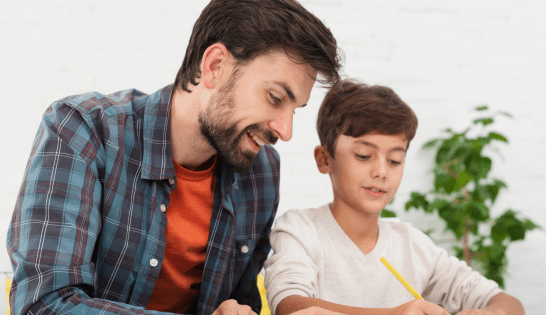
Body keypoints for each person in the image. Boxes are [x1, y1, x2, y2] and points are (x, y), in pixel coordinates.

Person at [6, 0, 341, 314]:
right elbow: (45, 303)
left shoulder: (261, 172)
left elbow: (239, 301)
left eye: (295, 110)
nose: (285, 131)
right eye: (274, 97)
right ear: (215, 67)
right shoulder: (85, 130)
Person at [264, 79, 526, 315]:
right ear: (325, 160)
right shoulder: (300, 230)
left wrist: (492, 313)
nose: (381, 172)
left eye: (395, 160)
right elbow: (289, 306)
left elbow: (508, 303)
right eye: (364, 156)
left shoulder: (412, 245)